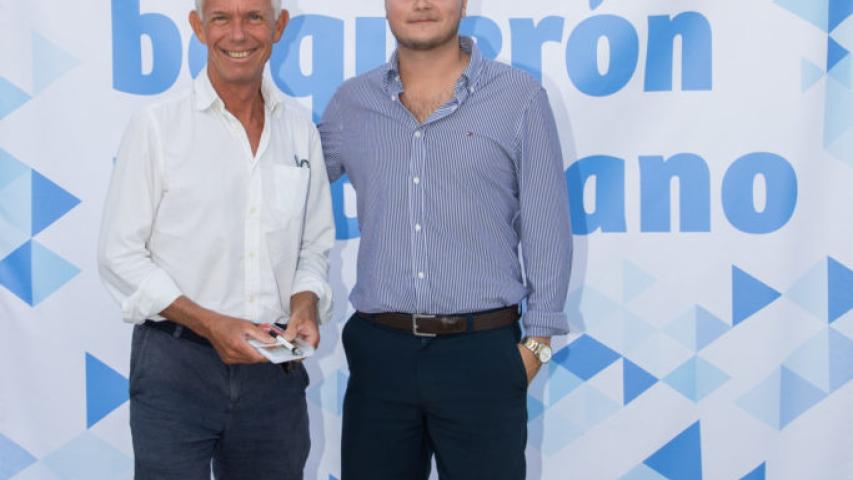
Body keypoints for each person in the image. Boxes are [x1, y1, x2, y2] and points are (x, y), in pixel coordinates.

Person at [318, 0, 572, 478]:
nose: (421, 3)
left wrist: (536, 344)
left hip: (482, 357)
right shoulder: (351, 104)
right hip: (380, 357)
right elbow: (291, 193)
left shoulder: (518, 98)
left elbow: (547, 227)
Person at [97, 0, 334, 478]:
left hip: (273, 372)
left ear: (279, 27)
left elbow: (313, 245)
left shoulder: (298, 129)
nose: (238, 34)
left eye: (254, 18)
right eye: (222, 18)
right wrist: (209, 324)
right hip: (175, 367)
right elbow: (119, 255)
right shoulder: (157, 126)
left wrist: (305, 301)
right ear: (198, 27)